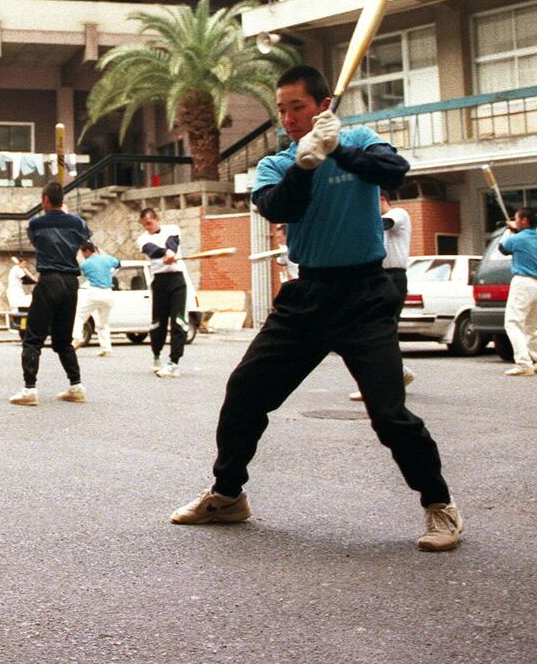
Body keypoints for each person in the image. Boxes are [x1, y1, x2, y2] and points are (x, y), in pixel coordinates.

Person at [170, 65, 463, 552]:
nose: (287, 118)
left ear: (323, 105)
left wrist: (339, 149)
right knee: (245, 392)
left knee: (390, 415)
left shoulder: (363, 139)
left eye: (297, 107)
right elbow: (279, 209)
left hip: (365, 295)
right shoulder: (276, 163)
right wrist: (306, 165)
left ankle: (440, 505)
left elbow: (396, 172)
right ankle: (227, 494)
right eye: (281, 109)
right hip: (307, 296)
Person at [9, 182, 89, 407]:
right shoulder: (78, 223)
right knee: (63, 340)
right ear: (62, 200)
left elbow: (36, 242)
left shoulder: (36, 223)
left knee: (33, 338)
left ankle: (29, 389)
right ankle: (76, 386)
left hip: (49, 279)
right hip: (70, 283)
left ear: (45, 199)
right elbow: (82, 238)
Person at [349, 194, 415, 401]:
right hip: (374, 275)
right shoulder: (372, 224)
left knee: (381, 330)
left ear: (382, 198)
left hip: (393, 276)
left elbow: (383, 223)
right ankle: (398, 374)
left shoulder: (399, 214)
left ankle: (381, 384)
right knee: (368, 330)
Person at [499, 208, 537, 377]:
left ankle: (523, 363)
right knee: (531, 327)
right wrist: (515, 229)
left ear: (524, 220)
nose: (515, 221)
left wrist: (509, 229)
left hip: (522, 283)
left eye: (517, 219)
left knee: (513, 323)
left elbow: (503, 248)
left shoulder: (519, 238)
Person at [139, 207, 188, 377]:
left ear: (156, 219)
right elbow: (151, 250)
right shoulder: (142, 239)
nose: (148, 227)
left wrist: (170, 252)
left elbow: (172, 242)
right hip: (159, 281)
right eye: (145, 225)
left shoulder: (172, 229)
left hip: (177, 280)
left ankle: (174, 362)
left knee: (178, 321)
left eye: (150, 223)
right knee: (158, 323)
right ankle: (156, 355)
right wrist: (164, 253)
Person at [75, 241, 120, 358]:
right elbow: (118, 263)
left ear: (87, 251)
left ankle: (77, 338)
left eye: (83, 253)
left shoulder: (86, 264)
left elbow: (80, 275)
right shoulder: (107, 259)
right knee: (103, 322)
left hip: (94, 292)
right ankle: (106, 348)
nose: (83, 255)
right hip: (108, 293)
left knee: (80, 316)